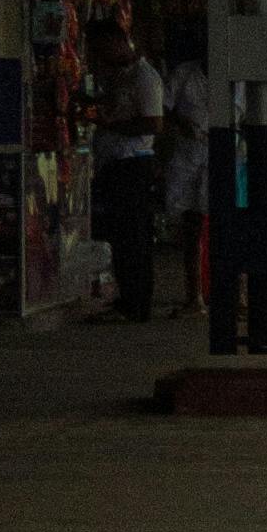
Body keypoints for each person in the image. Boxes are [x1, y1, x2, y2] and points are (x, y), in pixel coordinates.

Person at [84, 17, 165, 324]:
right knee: (122, 234)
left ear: (117, 41)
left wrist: (113, 125)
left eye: (101, 47)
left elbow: (153, 123)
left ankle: (138, 300)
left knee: (134, 235)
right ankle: (129, 297)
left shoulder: (145, 77)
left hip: (133, 164)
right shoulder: (121, 76)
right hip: (117, 163)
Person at [158, 37, 213, 315]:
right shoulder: (184, 74)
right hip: (188, 154)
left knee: (227, 226)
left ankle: (237, 296)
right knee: (190, 226)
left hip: (225, 154)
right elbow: (163, 107)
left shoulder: (235, 77)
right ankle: (194, 296)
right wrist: (182, 124)